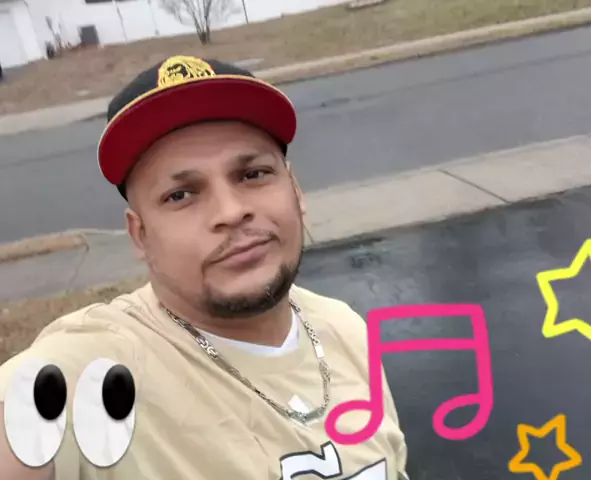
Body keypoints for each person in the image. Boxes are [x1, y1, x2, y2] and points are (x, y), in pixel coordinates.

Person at [0, 55, 409, 480]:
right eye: (180, 195)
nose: (231, 212)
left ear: (296, 191)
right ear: (141, 236)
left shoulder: (346, 330)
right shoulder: (101, 373)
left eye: (253, 174)